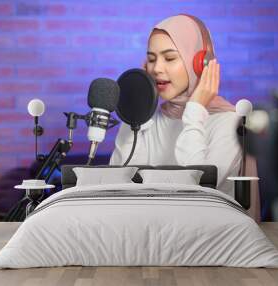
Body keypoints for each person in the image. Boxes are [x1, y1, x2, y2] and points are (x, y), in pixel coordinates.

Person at [109, 14, 259, 219]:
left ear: (199, 64)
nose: (156, 69)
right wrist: (136, 110)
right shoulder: (146, 120)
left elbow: (197, 191)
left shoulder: (230, 124)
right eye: (151, 59)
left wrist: (196, 110)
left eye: (169, 58)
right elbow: (120, 188)